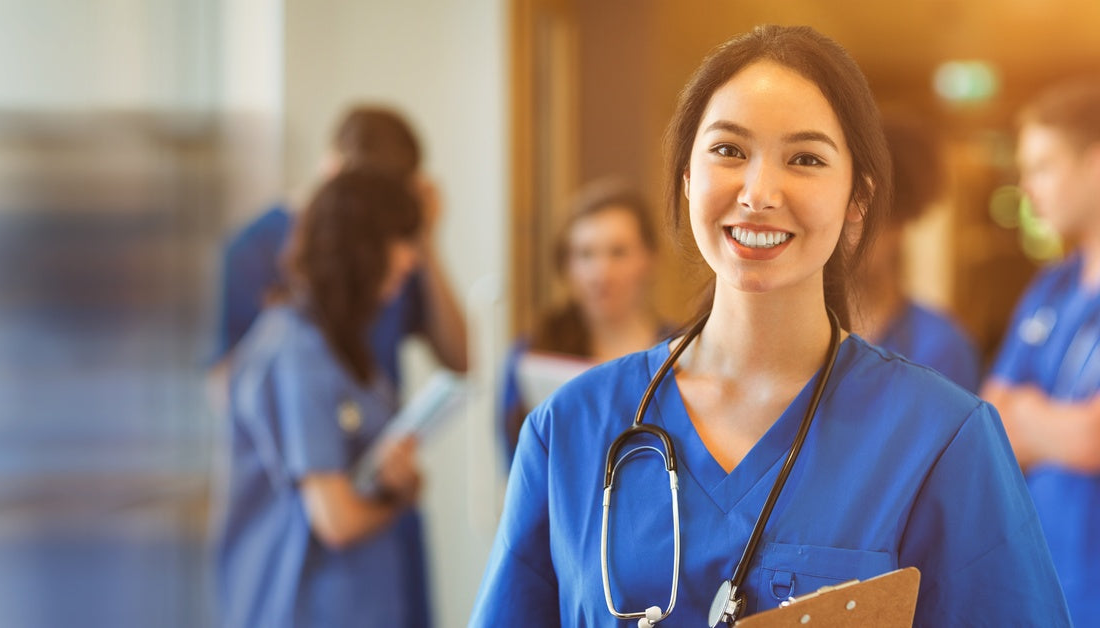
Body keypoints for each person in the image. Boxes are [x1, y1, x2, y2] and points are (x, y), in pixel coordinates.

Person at [471, 25, 1069, 627]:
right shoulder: (569, 430)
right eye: (729, 151)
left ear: (855, 204)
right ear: (686, 178)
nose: (758, 192)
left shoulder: (942, 438)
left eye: (805, 159)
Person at [211, 106, 465, 628]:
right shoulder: (297, 350)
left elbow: (459, 357)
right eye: (401, 254)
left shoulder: (342, 345)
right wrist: (401, 498)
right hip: (304, 602)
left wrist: (390, 478)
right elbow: (337, 519)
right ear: (364, 251)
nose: (410, 265)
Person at [981, 75, 1100, 627]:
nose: (1028, 189)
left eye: (1044, 166)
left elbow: (1093, 437)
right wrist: (1060, 428)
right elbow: (992, 420)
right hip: (1044, 595)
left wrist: (1035, 419)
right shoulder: (1050, 287)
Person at [499, 180, 670, 466]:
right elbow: (517, 466)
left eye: (618, 252)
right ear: (566, 265)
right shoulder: (533, 353)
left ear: (649, 258)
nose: (601, 273)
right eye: (585, 255)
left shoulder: (685, 352)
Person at [850, 114, 981, 390]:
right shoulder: (795, 341)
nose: (845, 236)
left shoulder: (938, 347)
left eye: (864, 217)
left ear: (898, 227)